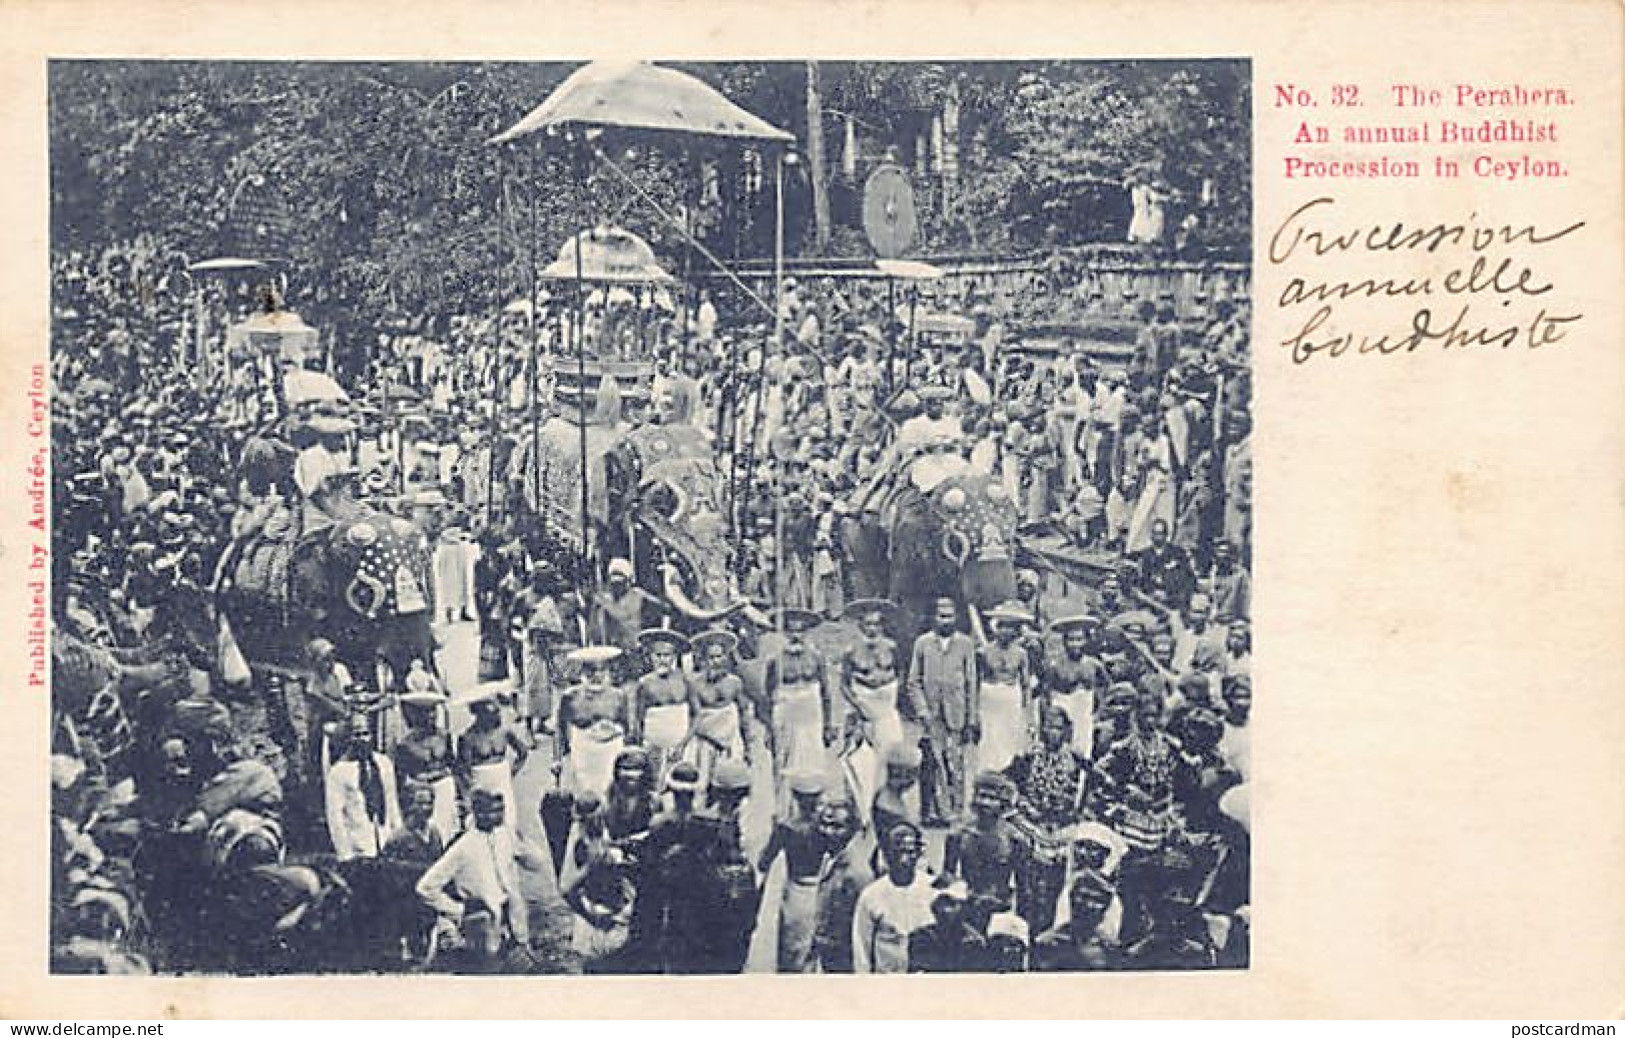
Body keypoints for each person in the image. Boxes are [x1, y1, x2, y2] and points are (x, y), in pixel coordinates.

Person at [416, 788, 545, 967]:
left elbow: (537, 864)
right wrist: (458, 910)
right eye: (495, 811)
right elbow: (425, 887)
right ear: (480, 813)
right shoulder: (463, 847)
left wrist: (521, 837)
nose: (501, 815)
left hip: (512, 920)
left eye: (502, 809)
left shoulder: (504, 835)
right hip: (482, 925)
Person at [1006, 704, 1091, 933]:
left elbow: (1090, 789)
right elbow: (1009, 783)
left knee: (1055, 887)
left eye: (1058, 728)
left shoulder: (1077, 761)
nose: (1052, 732)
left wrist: (1077, 812)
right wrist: (1024, 805)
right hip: (1030, 827)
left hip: (1062, 830)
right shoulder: (1028, 757)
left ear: (1066, 731)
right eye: (1048, 727)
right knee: (1027, 887)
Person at [904, 598, 979, 826]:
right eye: (941, 615)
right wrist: (923, 711)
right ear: (933, 617)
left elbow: (971, 683)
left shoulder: (965, 645)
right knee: (932, 762)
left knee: (955, 762)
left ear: (956, 618)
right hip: (932, 715)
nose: (945, 620)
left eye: (949, 615)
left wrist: (972, 718)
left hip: (956, 713)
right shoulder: (923, 644)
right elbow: (913, 682)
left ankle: (954, 810)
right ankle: (932, 812)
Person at [837, 598, 905, 819]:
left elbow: (901, 673)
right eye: (868, 624)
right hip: (864, 710)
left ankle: (887, 807)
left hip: (886, 708)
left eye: (876, 624)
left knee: (890, 758)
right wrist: (857, 706)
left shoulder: (892, 647)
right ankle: (862, 810)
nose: (872, 628)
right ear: (860, 626)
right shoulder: (850, 651)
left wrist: (892, 694)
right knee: (861, 762)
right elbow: (844, 684)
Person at [758, 770, 830, 972]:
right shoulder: (825, 827)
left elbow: (763, 862)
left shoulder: (786, 827)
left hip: (794, 891)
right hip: (819, 889)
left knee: (790, 952)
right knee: (812, 951)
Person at [765, 607, 835, 816]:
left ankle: (811, 810)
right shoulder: (774, 660)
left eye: (801, 631)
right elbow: (768, 695)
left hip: (811, 716)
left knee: (812, 763)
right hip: (786, 716)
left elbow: (826, 692)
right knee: (784, 764)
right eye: (791, 631)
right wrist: (769, 729)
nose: (796, 635)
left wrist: (828, 725)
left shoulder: (816, 657)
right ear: (784, 633)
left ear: (807, 633)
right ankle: (782, 812)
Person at [559, 791, 637, 972]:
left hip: (615, 907)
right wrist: (589, 913)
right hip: (597, 913)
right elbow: (566, 888)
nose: (595, 821)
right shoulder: (581, 842)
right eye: (588, 819)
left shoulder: (603, 832)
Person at [852, 821, 938, 974]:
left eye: (910, 852)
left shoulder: (933, 890)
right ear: (885, 854)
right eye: (897, 852)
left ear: (919, 853)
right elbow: (861, 951)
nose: (904, 860)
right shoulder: (871, 895)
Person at [943, 770, 1026, 916]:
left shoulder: (1014, 839)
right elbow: (948, 876)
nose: (985, 803)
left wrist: (1017, 921)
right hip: (967, 905)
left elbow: (1023, 887)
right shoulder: (958, 834)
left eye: (993, 798)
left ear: (1003, 803)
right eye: (982, 796)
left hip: (1000, 907)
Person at [555, 645, 631, 802]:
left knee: (610, 798)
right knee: (584, 800)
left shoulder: (618, 696)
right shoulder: (570, 697)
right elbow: (560, 730)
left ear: (608, 672)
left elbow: (627, 728)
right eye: (590, 671)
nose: (596, 676)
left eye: (601, 671)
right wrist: (557, 759)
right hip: (583, 755)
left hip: (610, 754)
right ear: (582, 673)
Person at [324, 714, 403, 861]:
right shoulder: (339, 772)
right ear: (348, 738)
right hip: (359, 847)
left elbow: (392, 802)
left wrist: (398, 837)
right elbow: (335, 817)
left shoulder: (384, 763)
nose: (362, 739)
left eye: (365, 733)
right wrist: (345, 854)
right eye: (356, 734)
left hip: (384, 841)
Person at [455, 681, 529, 831]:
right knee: (485, 823)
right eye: (491, 712)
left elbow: (523, 751)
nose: (496, 715)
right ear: (479, 714)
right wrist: (470, 794)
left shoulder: (503, 732)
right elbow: (463, 771)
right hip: (480, 781)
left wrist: (511, 771)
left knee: (509, 820)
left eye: (497, 711)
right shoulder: (468, 738)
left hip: (502, 779)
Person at [810, 796, 872, 973]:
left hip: (844, 956)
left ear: (852, 829)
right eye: (824, 824)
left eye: (837, 827)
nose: (828, 832)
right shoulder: (830, 856)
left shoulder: (857, 873)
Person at [686, 628, 749, 788]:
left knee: (729, 780)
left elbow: (744, 714)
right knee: (702, 780)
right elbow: (694, 715)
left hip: (730, 740)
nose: (715, 661)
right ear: (704, 660)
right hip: (705, 741)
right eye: (711, 657)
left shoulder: (734, 682)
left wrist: (747, 744)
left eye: (719, 656)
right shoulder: (695, 684)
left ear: (726, 658)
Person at [976, 602, 1034, 775]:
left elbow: (1026, 686)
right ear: (996, 628)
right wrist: (974, 713)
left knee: (1009, 743)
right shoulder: (983, 652)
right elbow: (975, 682)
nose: (1006, 632)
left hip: (1011, 702)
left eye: (1011, 628)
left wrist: (1028, 715)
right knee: (989, 742)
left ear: (1016, 631)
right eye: (1002, 627)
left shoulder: (1021, 654)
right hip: (989, 703)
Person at [393, 690, 458, 843]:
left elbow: (453, 764)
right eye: (426, 714)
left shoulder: (444, 736)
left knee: (446, 830)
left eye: (433, 713)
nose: (431, 717)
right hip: (421, 790)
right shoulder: (406, 744)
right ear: (417, 717)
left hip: (444, 786)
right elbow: (401, 775)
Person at [632, 628, 692, 788]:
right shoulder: (644, 683)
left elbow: (696, 714)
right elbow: (638, 718)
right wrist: (643, 747)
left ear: (674, 657)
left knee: (680, 783)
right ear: (650, 656)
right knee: (653, 786)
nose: (663, 660)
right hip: (653, 746)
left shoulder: (685, 680)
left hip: (681, 745)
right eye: (658, 655)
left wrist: (683, 743)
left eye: (667, 655)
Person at [1040, 614, 1106, 758]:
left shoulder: (1094, 665)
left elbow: (1104, 689)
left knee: (1083, 751)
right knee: (1062, 750)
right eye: (1071, 640)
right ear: (1064, 642)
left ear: (1086, 640)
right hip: (1063, 710)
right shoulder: (1055, 665)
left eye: (1079, 639)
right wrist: (1048, 718)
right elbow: (1045, 693)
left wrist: (1099, 712)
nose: (1075, 644)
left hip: (1085, 712)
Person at [1033, 869, 1122, 971]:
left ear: (1106, 907)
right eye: (1083, 897)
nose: (1089, 905)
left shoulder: (1110, 949)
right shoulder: (1047, 944)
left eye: (1097, 900)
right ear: (1072, 899)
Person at [906, 881, 986, 972]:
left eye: (951, 904)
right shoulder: (921, 936)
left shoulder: (974, 940)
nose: (945, 909)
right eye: (941, 903)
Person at [592, 558, 659, 654]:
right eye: (613, 583)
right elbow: (594, 629)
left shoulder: (637, 595)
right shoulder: (605, 598)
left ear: (628, 581)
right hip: (612, 649)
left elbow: (623, 615)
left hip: (634, 648)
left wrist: (605, 603)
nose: (616, 587)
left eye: (620, 583)